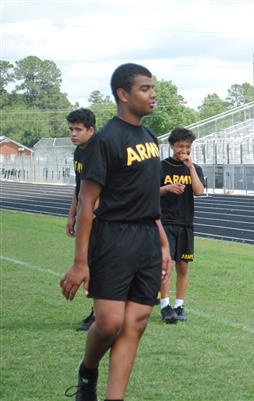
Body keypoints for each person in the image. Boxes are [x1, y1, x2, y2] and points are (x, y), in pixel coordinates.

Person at [60, 63, 171, 401]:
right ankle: (87, 371)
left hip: (148, 239)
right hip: (113, 237)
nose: (153, 94)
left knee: (136, 322)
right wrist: (81, 263)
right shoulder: (105, 140)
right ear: (123, 95)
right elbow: (87, 204)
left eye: (153, 88)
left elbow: (149, 200)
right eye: (145, 89)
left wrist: (163, 244)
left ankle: (114, 398)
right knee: (109, 323)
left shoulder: (150, 138)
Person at [159, 127, 205, 324]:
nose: (183, 150)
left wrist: (191, 167)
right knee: (166, 265)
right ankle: (165, 306)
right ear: (171, 146)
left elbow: (199, 191)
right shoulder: (161, 167)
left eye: (187, 147)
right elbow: (148, 192)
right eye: (179, 146)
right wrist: (168, 188)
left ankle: (179, 305)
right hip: (165, 222)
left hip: (186, 223)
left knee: (183, 266)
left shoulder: (194, 168)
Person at [66, 108, 97, 331]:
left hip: (103, 217)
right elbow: (79, 189)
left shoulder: (99, 152)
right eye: (71, 129)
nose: (73, 134)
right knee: (93, 262)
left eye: (78, 129)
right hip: (86, 213)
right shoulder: (79, 153)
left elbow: (102, 189)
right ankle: (97, 312)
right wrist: (72, 214)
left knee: (99, 264)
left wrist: (91, 215)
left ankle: (100, 313)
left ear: (91, 130)